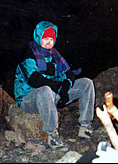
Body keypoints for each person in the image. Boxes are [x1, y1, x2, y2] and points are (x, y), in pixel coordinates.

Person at [14, 20, 96, 151]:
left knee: (86, 83)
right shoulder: (29, 55)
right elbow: (34, 79)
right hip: (29, 99)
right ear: (38, 37)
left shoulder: (54, 55)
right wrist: (59, 87)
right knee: (46, 90)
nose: (49, 42)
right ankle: (52, 135)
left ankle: (85, 127)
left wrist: (65, 86)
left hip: (51, 97)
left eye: (51, 39)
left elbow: (68, 73)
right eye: (45, 38)